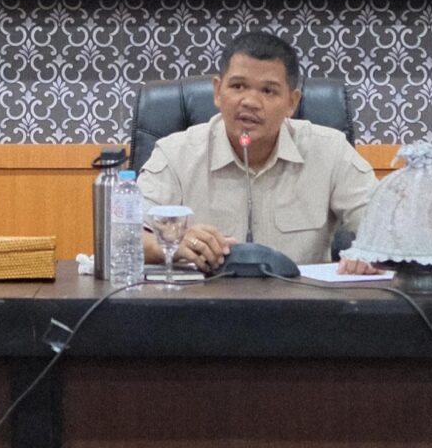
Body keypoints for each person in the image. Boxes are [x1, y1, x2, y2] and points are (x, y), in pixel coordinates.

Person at [137, 30, 377, 271]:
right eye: (238, 86)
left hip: (301, 294)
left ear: (291, 103)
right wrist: (170, 244)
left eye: (268, 91)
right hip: (202, 294)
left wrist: (368, 256)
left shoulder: (331, 152)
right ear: (218, 91)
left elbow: (387, 230)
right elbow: (126, 236)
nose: (250, 102)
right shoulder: (175, 154)